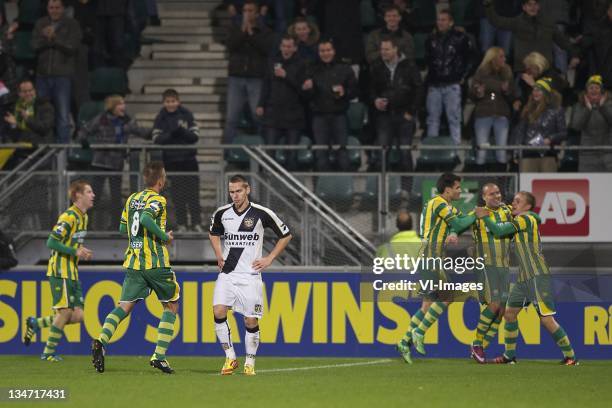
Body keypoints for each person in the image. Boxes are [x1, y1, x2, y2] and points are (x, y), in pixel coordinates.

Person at [92, 162, 179, 374]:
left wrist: (138, 238)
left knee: (124, 306)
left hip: (133, 262)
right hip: (156, 263)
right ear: (160, 180)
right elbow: (147, 218)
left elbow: (123, 227)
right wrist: (163, 236)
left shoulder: (132, 199)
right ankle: (159, 356)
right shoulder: (158, 199)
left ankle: (101, 340)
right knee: (171, 305)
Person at [475, 191, 578, 365]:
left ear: (528, 206)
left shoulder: (526, 219)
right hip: (524, 278)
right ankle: (509, 356)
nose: (513, 203)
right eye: (513, 200)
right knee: (509, 313)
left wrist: (484, 217)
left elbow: (499, 230)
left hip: (537, 275)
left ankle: (570, 357)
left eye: (517, 201)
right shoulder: (523, 219)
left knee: (546, 319)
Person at [209, 175, 292, 375]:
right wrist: (219, 255)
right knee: (218, 311)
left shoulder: (262, 213)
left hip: (250, 276)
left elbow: (286, 235)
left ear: (248, 190)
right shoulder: (222, 213)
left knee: (250, 321)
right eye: (231, 191)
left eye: (238, 191)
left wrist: (270, 258)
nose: (235, 195)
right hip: (228, 273)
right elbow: (213, 233)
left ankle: (250, 362)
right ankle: (230, 358)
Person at [397, 173, 476, 362]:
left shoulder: (447, 206)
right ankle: (419, 332)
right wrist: (476, 214)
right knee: (448, 298)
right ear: (447, 189)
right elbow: (459, 222)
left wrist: (455, 231)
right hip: (431, 255)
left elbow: (460, 223)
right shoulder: (438, 203)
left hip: (430, 256)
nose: (460, 191)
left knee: (427, 305)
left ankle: (404, 341)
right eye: (457, 187)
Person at [23, 180, 94, 361]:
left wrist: (80, 250)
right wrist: (75, 251)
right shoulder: (68, 217)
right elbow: (51, 242)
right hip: (60, 271)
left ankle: (35, 323)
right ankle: (48, 353)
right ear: (78, 195)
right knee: (64, 313)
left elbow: (72, 242)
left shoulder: (84, 217)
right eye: (89, 192)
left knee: (78, 315)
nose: (93, 195)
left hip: (72, 271)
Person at [79, 95, 149, 230]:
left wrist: (156, 133)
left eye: (123, 103)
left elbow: (140, 131)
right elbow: (85, 130)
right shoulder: (102, 119)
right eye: (120, 104)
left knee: (116, 196)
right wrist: (84, 141)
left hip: (116, 163)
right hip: (100, 162)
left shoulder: (126, 121)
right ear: (113, 106)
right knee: (94, 195)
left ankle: (115, 225)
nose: (123, 107)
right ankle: (86, 224)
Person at [468, 183, 513, 363]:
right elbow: (459, 224)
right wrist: (453, 233)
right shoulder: (477, 214)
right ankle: (476, 343)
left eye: (498, 192)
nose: (496, 196)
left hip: (504, 266)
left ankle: (480, 347)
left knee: (501, 310)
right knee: (494, 304)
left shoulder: (508, 211)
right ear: (484, 197)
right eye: (491, 194)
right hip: (487, 266)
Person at [302, 39, 358, 171]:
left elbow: (355, 92)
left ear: (334, 51)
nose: (325, 53)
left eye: (328, 50)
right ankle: (320, 188)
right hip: (319, 116)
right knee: (321, 153)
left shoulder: (345, 68)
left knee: (342, 152)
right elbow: (305, 96)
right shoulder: (311, 68)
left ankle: (344, 184)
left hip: (339, 116)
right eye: (322, 51)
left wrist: (345, 92)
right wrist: (307, 89)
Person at [369, 36, 422, 171]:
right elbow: (370, 89)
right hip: (384, 116)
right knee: (382, 152)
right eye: (382, 49)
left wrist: (411, 112)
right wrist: (375, 100)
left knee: (404, 152)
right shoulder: (376, 66)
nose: (383, 52)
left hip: (405, 116)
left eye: (387, 49)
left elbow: (418, 90)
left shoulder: (409, 66)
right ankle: (383, 189)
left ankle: (406, 189)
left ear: (395, 49)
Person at [482, 0, 579, 74]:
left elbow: (562, 41)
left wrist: (575, 55)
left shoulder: (548, 23)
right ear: (524, 7)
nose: (533, 7)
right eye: (529, 4)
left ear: (539, 6)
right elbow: (497, 21)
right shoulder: (517, 22)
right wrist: (488, 6)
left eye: (535, 4)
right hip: (523, 70)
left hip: (544, 69)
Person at [31, 0, 82, 143]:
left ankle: (62, 155)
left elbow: (72, 47)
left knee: (63, 116)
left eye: (57, 8)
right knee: (42, 115)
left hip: (62, 76)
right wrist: (47, 39)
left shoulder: (72, 24)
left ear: (63, 8)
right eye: (51, 8)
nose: (54, 11)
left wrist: (54, 38)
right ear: (47, 8)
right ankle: (43, 151)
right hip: (42, 75)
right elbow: (34, 45)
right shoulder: (40, 23)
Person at [152, 88, 202, 232]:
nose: (171, 104)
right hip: (171, 161)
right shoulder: (160, 117)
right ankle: (182, 224)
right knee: (177, 194)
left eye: (173, 101)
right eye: (168, 102)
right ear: (164, 102)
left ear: (178, 101)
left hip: (189, 160)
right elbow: (156, 139)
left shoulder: (187, 114)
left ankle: (196, 223)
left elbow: (195, 137)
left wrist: (182, 131)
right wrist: (172, 133)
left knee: (193, 193)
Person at [224, 0, 274, 143]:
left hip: (256, 77)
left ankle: (264, 151)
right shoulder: (235, 28)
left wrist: (251, 33)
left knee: (257, 115)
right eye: (245, 11)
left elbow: (266, 48)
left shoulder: (265, 30)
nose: (247, 13)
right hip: (236, 77)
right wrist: (242, 31)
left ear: (257, 13)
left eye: (250, 10)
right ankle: (227, 155)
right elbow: (231, 46)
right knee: (231, 118)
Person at [256, 35, 307, 170]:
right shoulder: (272, 62)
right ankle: (266, 187)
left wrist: (286, 76)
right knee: (269, 154)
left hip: (294, 115)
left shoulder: (302, 64)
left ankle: (291, 188)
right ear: (280, 47)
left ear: (295, 48)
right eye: (284, 46)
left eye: (289, 46)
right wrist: (261, 104)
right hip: (273, 114)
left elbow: (303, 89)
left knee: (291, 155)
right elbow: (266, 84)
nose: (286, 49)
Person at [425, 10, 474, 145]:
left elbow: (470, 59)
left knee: (454, 118)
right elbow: (428, 61)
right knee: (433, 119)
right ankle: (432, 150)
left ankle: (456, 150)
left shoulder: (461, 38)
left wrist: (463, 76)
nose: (440, 22)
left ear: (451, 22)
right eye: (439, 19)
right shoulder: (431, 39)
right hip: (434, 85)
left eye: (444, 19)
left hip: (453, 84)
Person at [470, 47, 515, 171]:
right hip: (484, 113)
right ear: (493, 58)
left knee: (501, 151)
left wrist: (507, 91)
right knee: (482, 151)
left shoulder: (507, 72)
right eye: (501, 56)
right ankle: (481, 184)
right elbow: (472, 94)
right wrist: (479, 92)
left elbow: (513, 94)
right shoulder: (481, 72)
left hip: (501, 114)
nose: (504, 59)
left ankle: (501, 184)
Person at [511, 78, 566, 172]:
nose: (535, 92)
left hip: (548, 154)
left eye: (539, 90)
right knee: (526, 185)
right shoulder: (528, 109)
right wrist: (516, 152)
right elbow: (520, 132)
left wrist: (550, 139)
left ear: (546, 93)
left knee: (547, 186)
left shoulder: (557, 110)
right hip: (528, 154)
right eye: (534, 89)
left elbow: (563, 133)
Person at [569, 75, 612, 172]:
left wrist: (603, 107)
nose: (594, 90)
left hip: (608, 154)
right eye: (591, 88)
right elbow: (576, 126)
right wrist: (587, 110)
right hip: (587, 155)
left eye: (597, 88)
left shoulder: (609, 104)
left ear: (602, 92)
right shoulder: (579, 106)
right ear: (586, 92)